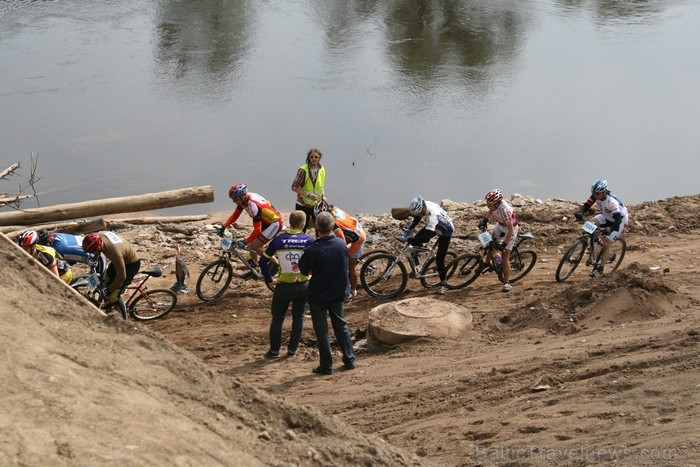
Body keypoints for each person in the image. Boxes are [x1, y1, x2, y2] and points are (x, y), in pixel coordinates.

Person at [298, 212, 356, 375]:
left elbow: (304, 271)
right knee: (341, 325)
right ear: (333, 227)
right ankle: (350, 359)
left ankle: (326, 365)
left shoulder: (312, 249)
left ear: (316, 227)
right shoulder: (341, 245)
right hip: (338, 293)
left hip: (318, 295)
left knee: (321, 330)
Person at [259, 211, 314, 358]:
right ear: (303, 225)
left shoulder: (278, 240)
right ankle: (292, 350)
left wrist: (270, 279)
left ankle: (274, 351)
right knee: (298, 317)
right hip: (303, 285)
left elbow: (262, 261)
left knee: (277, 318)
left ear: (290, 223)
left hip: (283, 285)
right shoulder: (309, 240)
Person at [575, 179, 629, 277]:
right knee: (589, 227)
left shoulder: (612, 202)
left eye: (598, 194)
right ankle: (595, 251)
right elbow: (587, 205)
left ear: (604, 192)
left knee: (607, 242)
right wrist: (580, 213)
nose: (596, 196)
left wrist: (609, 230)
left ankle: (600, 269)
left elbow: (617, 221)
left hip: (619, 220)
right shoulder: (596, 195)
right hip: (606, 216)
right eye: (594, 193)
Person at [313, 197, 366, 299]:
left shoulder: (335, 225)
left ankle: (353, 291)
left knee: (348, 264)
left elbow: (342, 243)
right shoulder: (332, 208)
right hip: (354, 226)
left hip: (357, 238)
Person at [219, 183, 283, 264]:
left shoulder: (253, 207)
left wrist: (245, 241)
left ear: (242, 196)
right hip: (266, 221)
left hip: (275, 223)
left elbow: (257, 230)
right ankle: (255, 268)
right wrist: (224, 226)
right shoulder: (244, 199)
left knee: (254, 246)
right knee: (251, 246)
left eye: (235, 199)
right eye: (233, 200)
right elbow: (235, 215)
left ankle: (276, 263)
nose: (234, 201)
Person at [82, 231, 141, 319]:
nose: (93, 253)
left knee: (113, 295)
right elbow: (97, 252)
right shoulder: (100, 236)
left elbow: (122, 277)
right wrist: (94, 259)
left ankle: (124, 318)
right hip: (120, 258)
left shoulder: (115, 253)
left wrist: (109, 289)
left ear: (98, 246)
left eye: (93, 252)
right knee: (104, 282)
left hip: (131, 265)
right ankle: (108, 301)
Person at [404, 195, 454, 295]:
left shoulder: (433, 216)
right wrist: (411, 228)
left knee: (440, 260)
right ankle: (417, 267)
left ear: (423, 209)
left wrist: (410, 239)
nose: (418, 215)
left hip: (445, 231)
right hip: (436, 226)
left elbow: (426, 238)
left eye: (419, 213)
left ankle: (443, 283)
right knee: (416, 239)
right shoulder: (423, 205)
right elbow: (417, 217)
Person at [478, 189, 519, 292]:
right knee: (489, 243)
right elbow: (491, 210)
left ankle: (506, 283)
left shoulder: (504, 210)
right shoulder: (494, 205)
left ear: (497, 203)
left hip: (510, 229)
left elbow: (510, 230)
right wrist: (485, 220)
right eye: (487, 204)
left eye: (490, 204)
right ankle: (487, 263)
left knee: (505, 255)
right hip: (500, 225)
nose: (488, 206)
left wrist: (504, 244)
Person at [291, 148, 326, 232]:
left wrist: (323, 196)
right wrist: (308, 195)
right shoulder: (303, 170)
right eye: (311, 157)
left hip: (317, 205)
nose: (314, 159)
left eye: (316, 157)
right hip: (303, 204)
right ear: (308, 158)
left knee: (320, 230)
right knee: (300, 230)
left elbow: (320, 186)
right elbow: (294, 187)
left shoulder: (322, 169)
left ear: (319, 158)